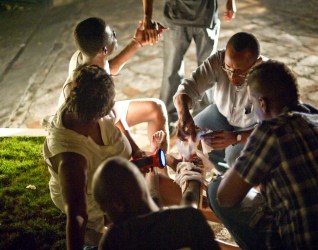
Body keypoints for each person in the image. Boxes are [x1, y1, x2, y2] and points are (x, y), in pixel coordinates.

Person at [207, 60, 318, 249]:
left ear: (263, 104)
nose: (253, 110)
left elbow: (226, 197)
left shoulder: (270, 131)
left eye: (252, 104)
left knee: (216, 188)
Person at [43, 65, 182, 249]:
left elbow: (117, 119)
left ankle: (224, 211)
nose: (114, 104)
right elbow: (77, 215)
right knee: (163, 234)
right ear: (98, 115)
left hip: (123, 179)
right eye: (111, 103)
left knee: (185, 200)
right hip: (101, 202)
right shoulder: (72, 159)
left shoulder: (86, 99)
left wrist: (135, 150)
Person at [58, 17, 169, 159]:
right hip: (90, 131)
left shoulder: (85, 55)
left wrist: (137, 42)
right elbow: (114, 117)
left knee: (156, 108)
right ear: (104, 49)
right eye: (111, 35)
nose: (115, 34)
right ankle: (159, 167)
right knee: (128, 152)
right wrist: (136, 150)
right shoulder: (92, 83)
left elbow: (109, 67)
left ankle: (161, 166)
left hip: (103, 116)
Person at [173, 32, 264, 172]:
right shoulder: (218, 60)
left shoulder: (268, 75)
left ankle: (239, 185)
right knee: (189, 139)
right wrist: (183, 116)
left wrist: (237, 137)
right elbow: (187, 88)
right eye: (228, 69)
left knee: (235, 157)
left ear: (256, 64)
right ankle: (222, 172)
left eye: (240, 72)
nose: (232, 77)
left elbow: (277, 127)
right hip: (221, 113)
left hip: (253, 127)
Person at [142, 0, 236, 133]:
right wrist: (147, 17)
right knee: (171, 70)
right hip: (176, 18)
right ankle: (167, 117)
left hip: (206, 16)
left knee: (208, 72)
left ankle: (203, 119)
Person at [92, 156, 220, 250]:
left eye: (105, 209)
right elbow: (186, 201)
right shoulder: (189, 219)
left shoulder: (115, 239)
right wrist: (192, 175)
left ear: (117, 204)